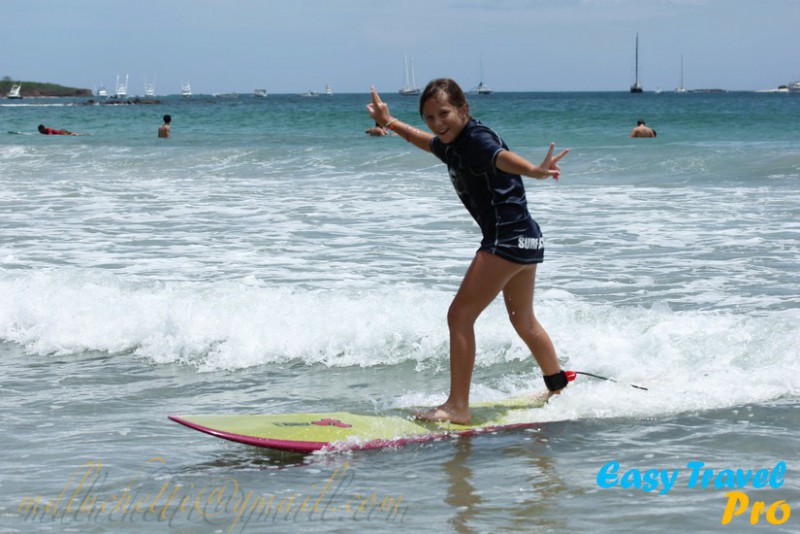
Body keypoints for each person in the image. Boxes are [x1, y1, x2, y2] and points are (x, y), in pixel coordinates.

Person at [366, 79, 570, 424]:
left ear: (463, 109)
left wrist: (534, 171)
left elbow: (500, 158)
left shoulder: (476, 139)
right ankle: (558, 388)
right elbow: (425, 142)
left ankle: (457, 406)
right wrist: (389, 122)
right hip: (527, 238)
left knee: (459, 316)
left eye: (443, 113)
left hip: (506, 238)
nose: (436, 123)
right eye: (429, 117)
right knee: (523, 320)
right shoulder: (454, 143)